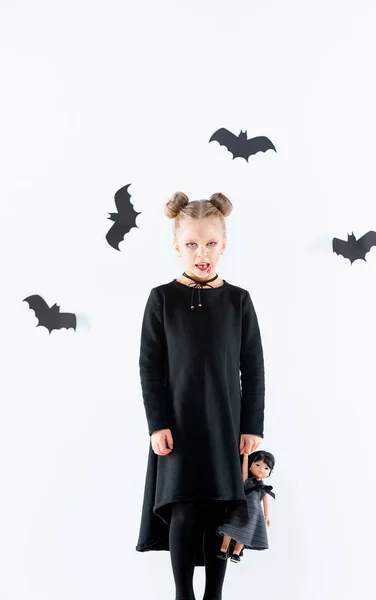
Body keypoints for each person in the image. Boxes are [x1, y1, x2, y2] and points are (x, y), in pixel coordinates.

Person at [135, 191, 266, 600]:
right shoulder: (162, 299)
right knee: (184, 506)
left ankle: (214, 595)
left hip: (225, 423)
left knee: (220, 508)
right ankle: (182, 594)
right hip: (177, 424)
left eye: (210, 243)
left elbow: (254, 368)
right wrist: (156, 424)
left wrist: (252, 427)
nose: (201, 252)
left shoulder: (237, 300)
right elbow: (149, 366)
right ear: (177, 246)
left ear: (224, 244)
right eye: (191, 243)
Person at [216, 450, 275, 563]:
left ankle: (236, 553)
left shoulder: (263, 488)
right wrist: (246, 455)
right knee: (229, 529)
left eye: (266, 468)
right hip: (238, 509)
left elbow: (265, 500)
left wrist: (266, 515)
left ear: (270, 472)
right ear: (250, 466)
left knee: (246, 533)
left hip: (253, 514)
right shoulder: (246, 481)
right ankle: (223, 549)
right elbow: (244, 469)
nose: (261, 469)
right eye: (257, 465)